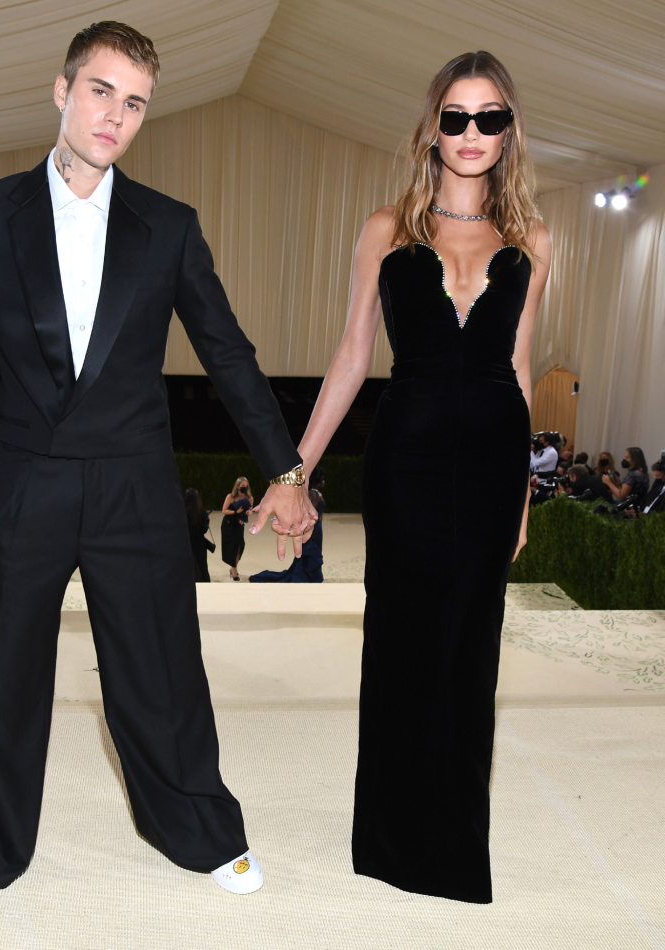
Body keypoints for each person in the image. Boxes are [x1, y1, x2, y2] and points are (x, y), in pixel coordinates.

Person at [0, 21, 315, 907]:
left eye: (135, 102)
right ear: (62, 91)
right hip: (25, 477)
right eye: (101, 91)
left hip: (135, 482)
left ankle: (202, 830)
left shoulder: (167, 226)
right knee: (9, 672)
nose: (115, 115)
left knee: (161, 667)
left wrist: (285, 468)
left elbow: (227, 353)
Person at [290, 51, 550, 904]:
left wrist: (519, 497)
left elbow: (519, 366)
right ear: (430, 127)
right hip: (405, 462)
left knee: (470, 653)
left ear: (509, 131)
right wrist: (296, 466)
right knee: (401, 647)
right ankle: (394, 839)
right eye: (456, 117)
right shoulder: (384, 229)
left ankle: (452, 849)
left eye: (490, 118)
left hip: (488, 472)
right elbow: (352, 357)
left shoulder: (533, 240)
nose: (472, 134)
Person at [250, 466, 326, 583]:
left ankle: (308, 572)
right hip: (314, 528)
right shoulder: (315, 494)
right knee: (309, 548)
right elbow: (312, 514)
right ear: (319, 481)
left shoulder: (313, 493)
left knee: (308, 548)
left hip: (314, 527)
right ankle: (308, 573)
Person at [221, 477, 253, 580]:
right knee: (231, 547)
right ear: (238, 486)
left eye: (246, 486)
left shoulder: (249, 498)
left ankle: (233, 567)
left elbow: (250, 510)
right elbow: (224, 511)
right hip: (229, 524)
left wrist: (249, 512)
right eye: (242, 486)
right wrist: (236, 512)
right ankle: (234, 570)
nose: (244, 488)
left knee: (240, 546)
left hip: (239, 525)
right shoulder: (230, 497)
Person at [184, 487, 212, 582]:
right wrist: (207, 520)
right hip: (200, 543)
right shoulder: (202, 512)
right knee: (202, 566)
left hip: (186, 543)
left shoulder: (183, 512)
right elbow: (204, 530)